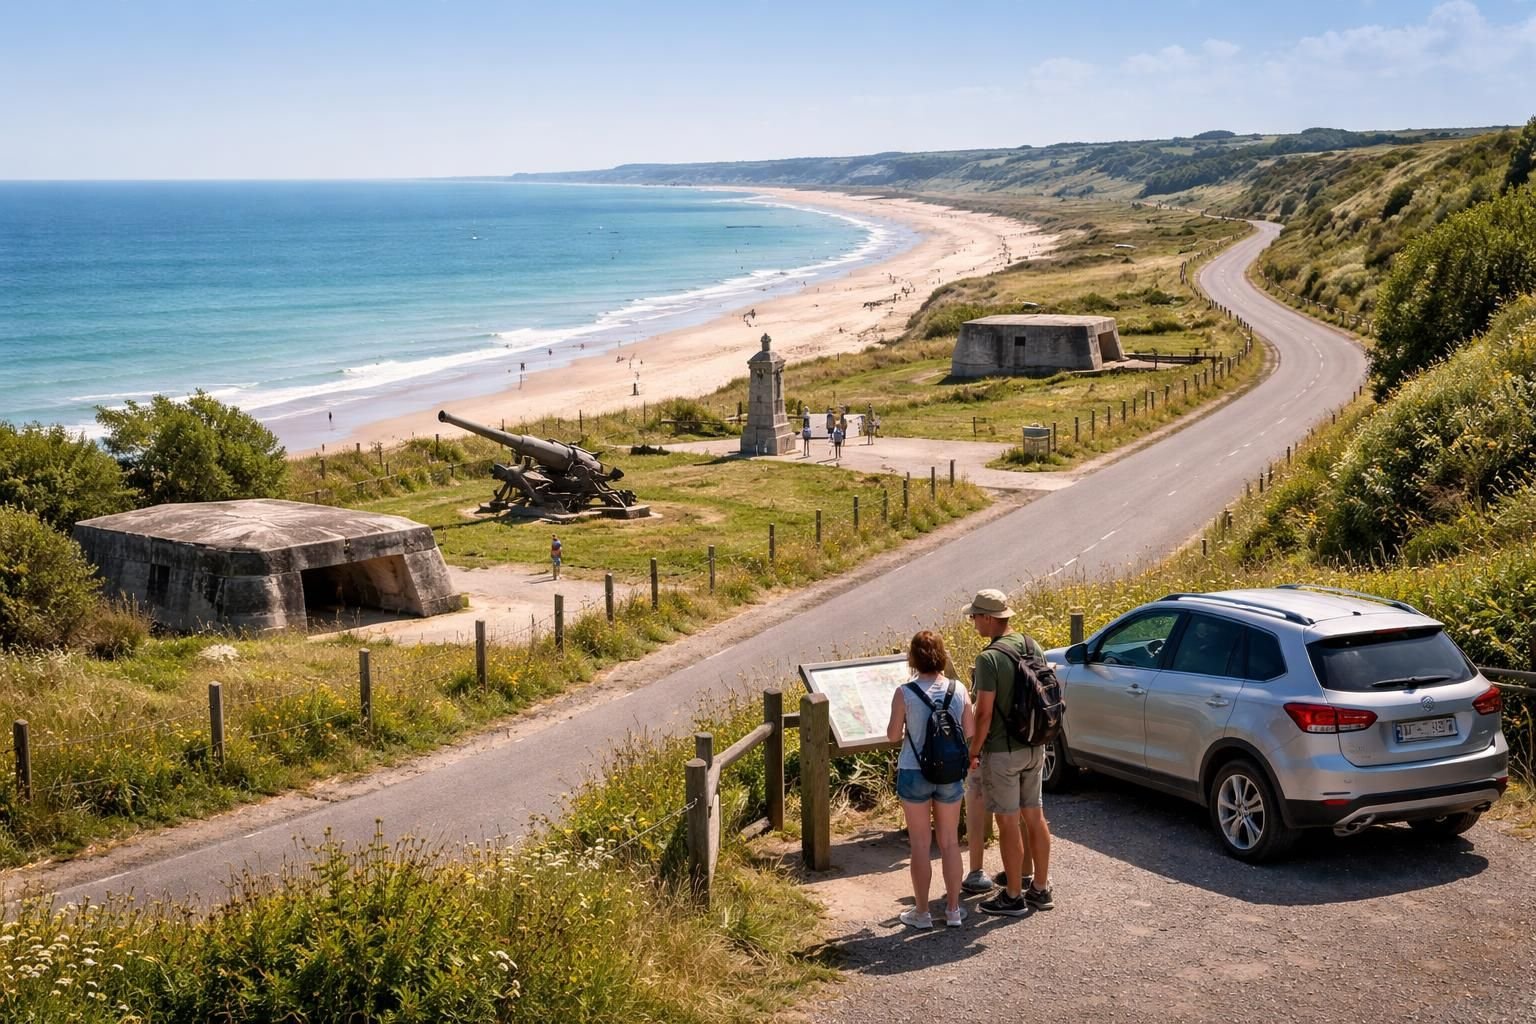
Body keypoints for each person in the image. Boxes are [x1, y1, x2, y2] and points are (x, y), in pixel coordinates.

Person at [963, 588, 1054, 915]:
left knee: (1007, 822)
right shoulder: (1032, 645)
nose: (973, 623)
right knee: (1035, 816)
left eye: (974, 617)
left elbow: (983, 713)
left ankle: (1013, 896)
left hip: (1003, 752)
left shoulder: (988, 659)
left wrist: (973, 750)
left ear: (988, 617)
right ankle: (1040, 889)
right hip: (1035, 745)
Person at [886, 630, 974, 929]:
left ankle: (921, 913)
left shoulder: (904, 692)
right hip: (950, 772)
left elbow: (893, 735)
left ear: (913, 658)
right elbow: (970, 731)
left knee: (920, 845)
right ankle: (952, 909)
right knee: (949, 842)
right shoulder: (958, 689)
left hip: (914, 770)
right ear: (942, 655)